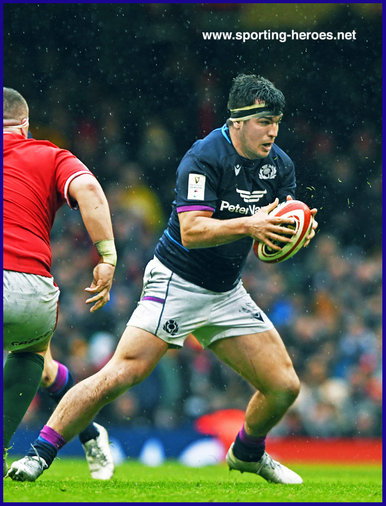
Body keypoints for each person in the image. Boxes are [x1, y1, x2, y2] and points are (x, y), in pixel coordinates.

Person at [8, 74, 318, 484]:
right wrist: (252, 225)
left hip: (226, 291)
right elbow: (193, 230)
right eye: (264, 121)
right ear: (238, 121)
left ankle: (247, 452)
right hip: (177, 282)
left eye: (276, 121)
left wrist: (291, 237)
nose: (272, 131)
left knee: (283, 386)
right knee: (119, 375)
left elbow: (267, 243)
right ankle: (39, 454)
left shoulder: (279, 165)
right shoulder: (204, 156)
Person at [3, 87, 117, 480]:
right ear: (25, 125)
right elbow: (87, 188)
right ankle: (88, 431)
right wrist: (108, 256)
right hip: (33, 290)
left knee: (39, 363)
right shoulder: (50, 154)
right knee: (38, 361)